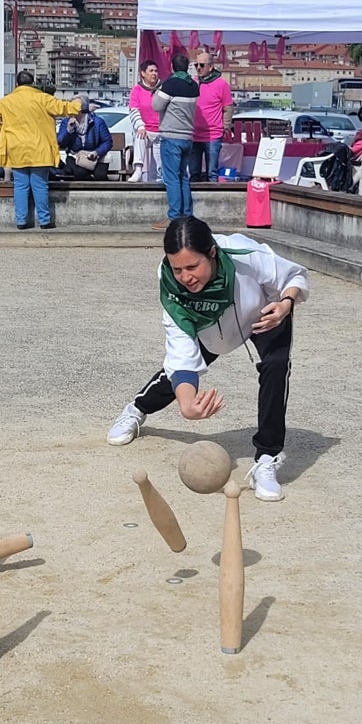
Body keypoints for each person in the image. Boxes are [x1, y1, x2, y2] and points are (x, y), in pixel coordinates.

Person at [105, 216, 309, 502]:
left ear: (212, 252)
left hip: (264, 315)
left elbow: (294, 276)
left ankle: (267, 458)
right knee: (174, 375)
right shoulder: (171, 284)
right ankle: (136, 409)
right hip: (210, 326)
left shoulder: (244, 253)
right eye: (178, 269)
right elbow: (180, 353)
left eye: (192, 266)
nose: (186, 277)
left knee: (276, 367)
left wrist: (286, 304)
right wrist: (187, 405)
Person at [0, 71, 81, 230]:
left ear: (16, 85)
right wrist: (78, 103)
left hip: (17, 148)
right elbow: (64, 108)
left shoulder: (6, 101)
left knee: (20, 185)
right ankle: (44, 221)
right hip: (40, 148)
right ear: (33, 84)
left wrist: (3, 134)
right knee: (40, 185)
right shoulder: (43, 98)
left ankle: (21, 221)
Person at [151, 53, 200, 230]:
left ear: (172, 67)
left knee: (171, 178)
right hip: (188, 137)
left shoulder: (170, 84)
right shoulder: (194, 85)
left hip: (171, 136)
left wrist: (157, 90)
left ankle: (173, 218)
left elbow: (156, 106)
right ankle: (186, 216)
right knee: (182, 178)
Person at [189, 50, 234, 183]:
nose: (198, 68)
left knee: (212, 173)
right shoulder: (193, 83)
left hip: (213, 135)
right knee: (193, 173)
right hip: (194, 134)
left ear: (210, 67)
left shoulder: (221, 84)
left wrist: (225, 127)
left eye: (201, 65)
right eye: (196, 65)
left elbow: (228, 107)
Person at [57, 100, 113, 181]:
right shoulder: (66, 122)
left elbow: (107, 142)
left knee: (100, 175)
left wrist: (97, 152)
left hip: (96, 156)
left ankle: (104, 192)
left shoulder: (97, 121)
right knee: (80, 172)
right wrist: (68, 131)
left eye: (73, 106)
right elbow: (61, 143)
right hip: (75, 156)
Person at [127, 60, 162, 183]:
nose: (154, 74)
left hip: (160, 130)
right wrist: (140, 126)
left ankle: (158, 176)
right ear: (143, 73)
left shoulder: (163, 89)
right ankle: (138, 170)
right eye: (151, 71)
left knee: (159, 159)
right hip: (145, 129)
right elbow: (133, 110)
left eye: (156, 71)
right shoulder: (137, 89)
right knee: (139, 136)